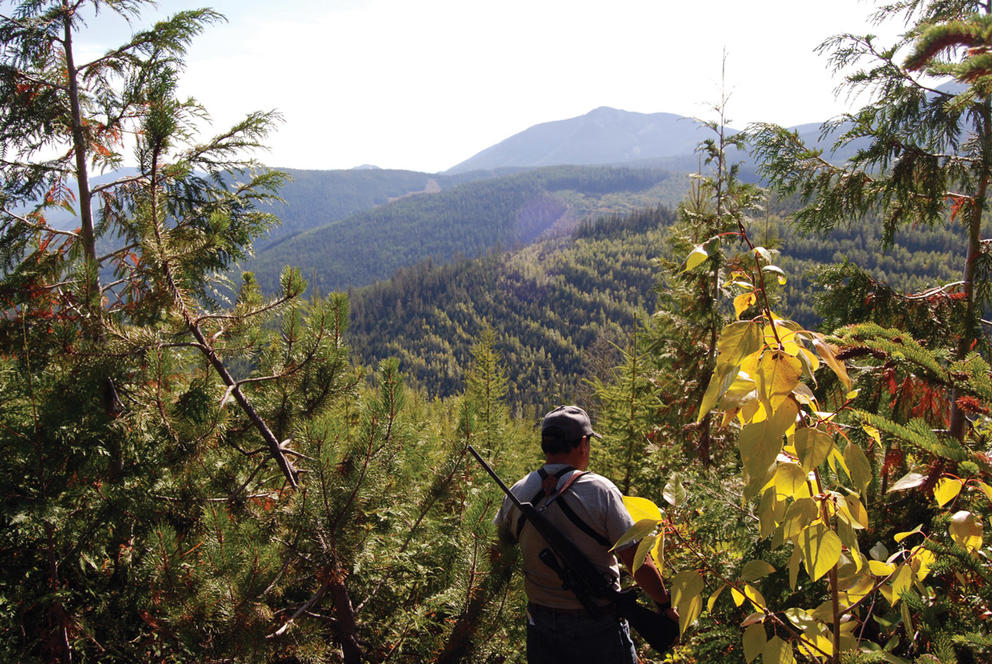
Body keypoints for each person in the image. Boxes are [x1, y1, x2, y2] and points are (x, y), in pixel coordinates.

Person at [494, 405, 676, 664]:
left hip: (541, 627)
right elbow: (636, 560)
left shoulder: (517, 491)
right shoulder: (600, 490)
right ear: (582, 443)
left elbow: (497, 553)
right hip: (598, 628)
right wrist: (664, 604)